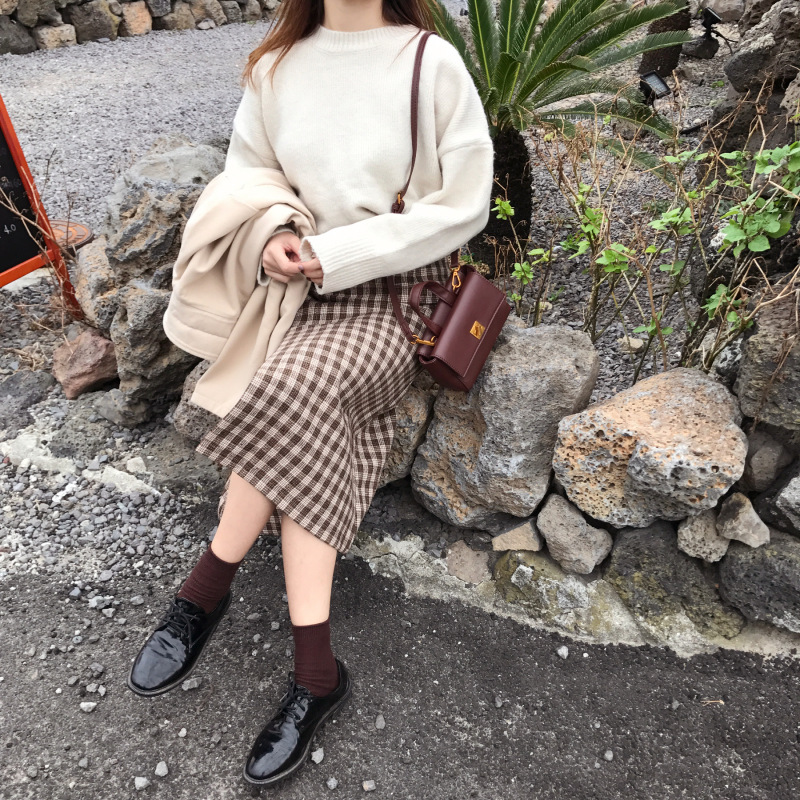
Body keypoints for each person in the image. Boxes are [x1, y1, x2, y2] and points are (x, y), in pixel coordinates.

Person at [126, 0, 494, 787]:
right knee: (293, 404)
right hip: (296, 295)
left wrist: (341, 251)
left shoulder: (428, 61)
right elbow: (248, 181)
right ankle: (316, 674)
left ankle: (204, 592)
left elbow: (464, 205)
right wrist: (275, 237)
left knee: (287, 388)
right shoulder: (276, 66)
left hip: (395, 298)